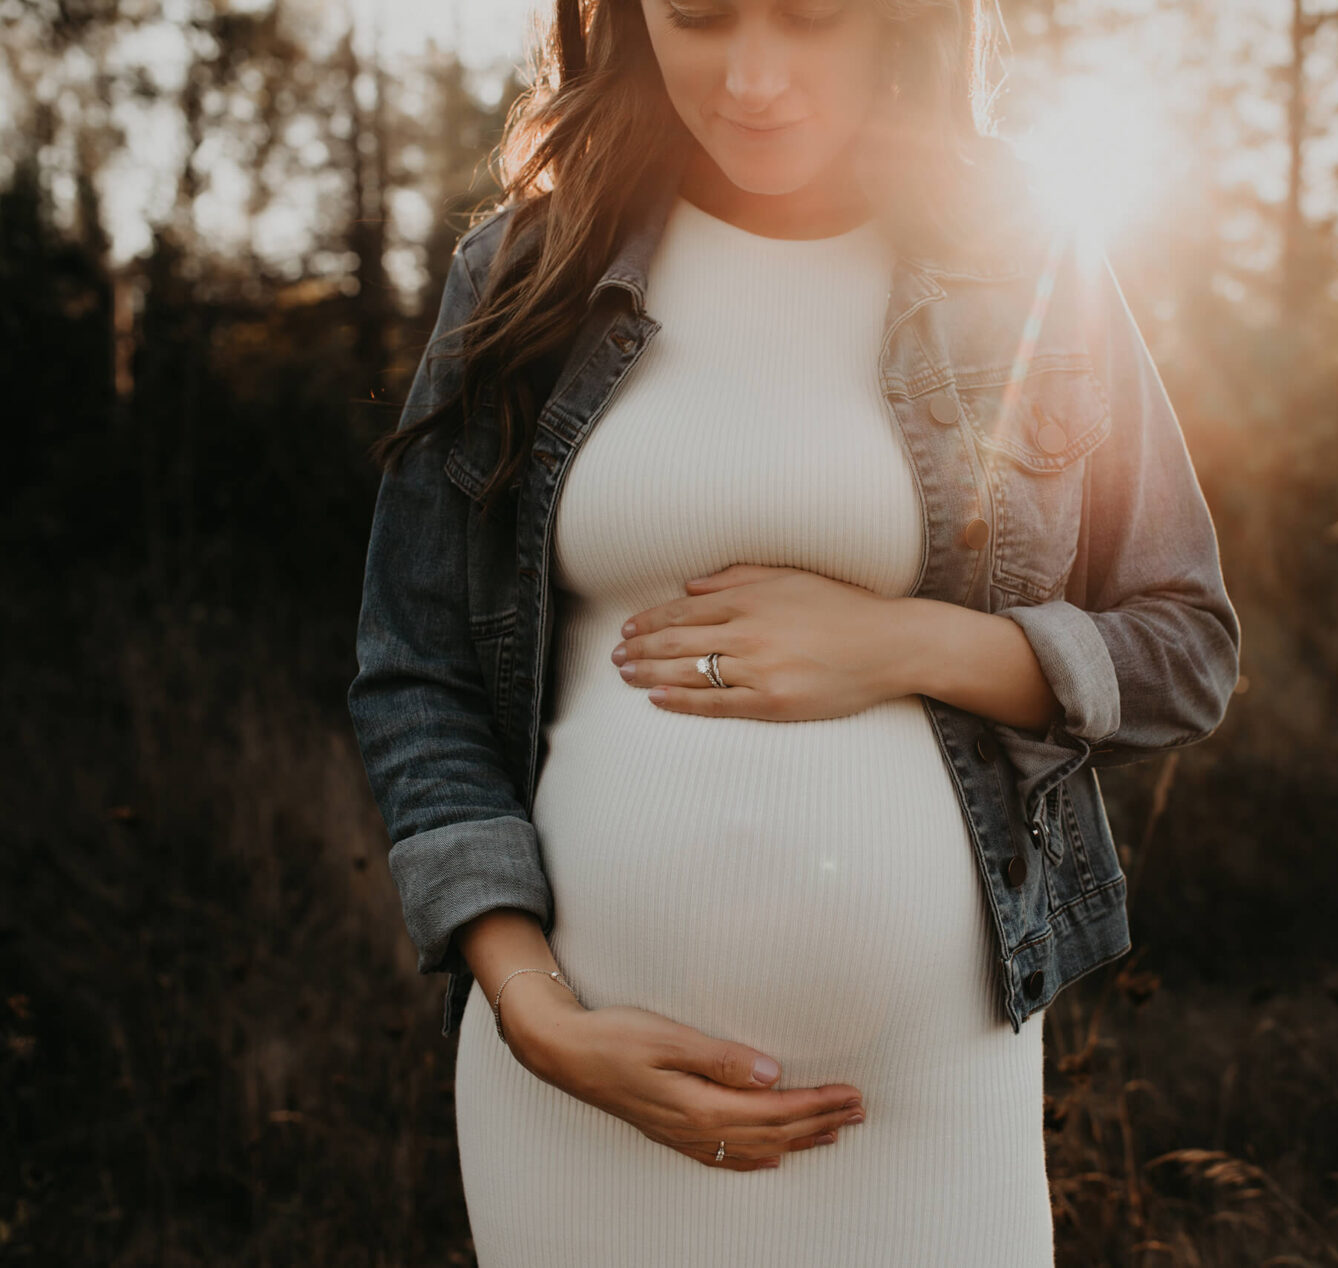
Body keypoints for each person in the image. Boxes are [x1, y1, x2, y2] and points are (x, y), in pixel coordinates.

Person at [345, 0, 1241, 1261]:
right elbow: (414, 672)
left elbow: (1184, 646)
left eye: (811, 18)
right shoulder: (521, 276)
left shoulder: (1026, 279)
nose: (753, 79)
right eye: (698, 18)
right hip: (577, 1102)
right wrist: (533, 1011)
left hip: (924, 1105)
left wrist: (904, 642)